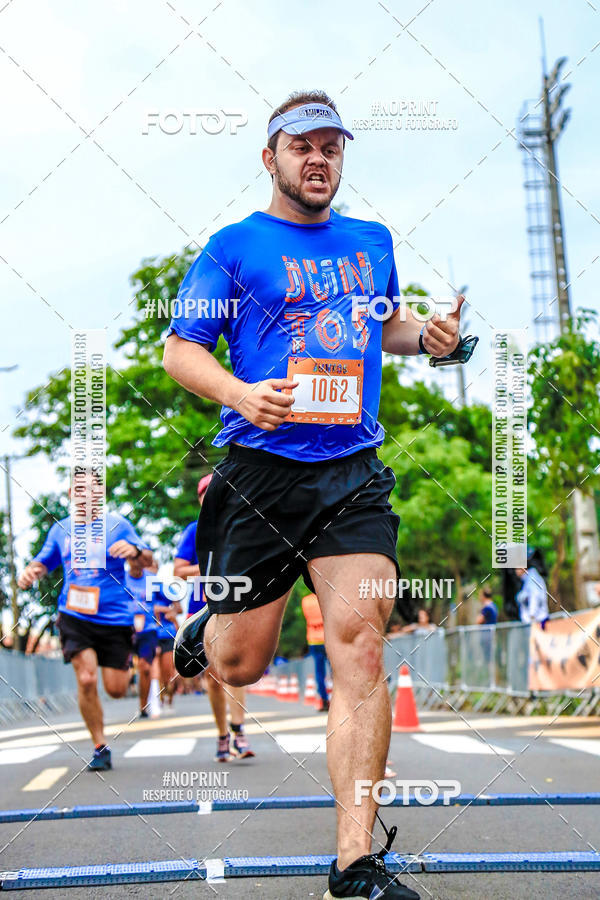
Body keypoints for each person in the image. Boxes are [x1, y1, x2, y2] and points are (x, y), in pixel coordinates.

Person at [165, 89, 467, 900]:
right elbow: (179, 349)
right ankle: (213, 617)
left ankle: (354, 860)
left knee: (361, 649)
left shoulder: (372, 242)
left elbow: (386, 326)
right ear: (271, 159)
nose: (318, 159)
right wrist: (236, 391)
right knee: (237, 662)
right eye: (302, 146)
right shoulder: (234, 248)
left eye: (332, 146)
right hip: (260, 473)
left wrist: (430, 340)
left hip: (351, 475)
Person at [17, 470, 152, 770]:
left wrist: (135, 551)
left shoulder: (118, 525)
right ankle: (99, 746)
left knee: (116, 689)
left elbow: (149, 561)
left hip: (115, 619)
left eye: (91, 490)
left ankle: (120, 677)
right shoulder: (60, 530)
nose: (85, 496)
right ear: (70, 495)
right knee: (87, 678)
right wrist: (32, 569)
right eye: (78, 491)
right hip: (74, 614)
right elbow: (44, 559)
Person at [173, 475, 254, 761]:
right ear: (199, 499)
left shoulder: (240, 528)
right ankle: (223, 734)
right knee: (214, 675)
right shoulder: (193, 531)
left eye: (215, 491)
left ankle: (239, 730)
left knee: (235, 669)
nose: (209, 497)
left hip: (235, 603)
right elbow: (179, 571)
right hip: (202, 608)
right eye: (204, 493)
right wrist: (210, 570)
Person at [126, 558, 162, 718]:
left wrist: (172, 610)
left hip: (148, 630)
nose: (137, 562)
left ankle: (143, 706)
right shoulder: (121, 578)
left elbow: (171, 597)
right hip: (125, 628)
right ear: (128, 560)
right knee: (120, 676)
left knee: (145, 668)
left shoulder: (152, 579)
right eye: (134, 559)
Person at [152, 579, 182, 709]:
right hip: (150, 633)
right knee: (155, 670)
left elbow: (179, 608)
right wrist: (159, 609)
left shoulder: (166, 588)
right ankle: (158, 699)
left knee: (167, 671)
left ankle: (169, 696)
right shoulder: (140, 586)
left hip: (167, 634)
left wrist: (171, 612)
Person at [302, 591, 329, 711]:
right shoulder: (326, 597)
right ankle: (340, 700)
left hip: (313, 640)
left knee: (319, 673)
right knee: (336, 671)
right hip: (328, 638)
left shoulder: (306, 601)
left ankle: (324, 701)